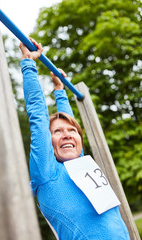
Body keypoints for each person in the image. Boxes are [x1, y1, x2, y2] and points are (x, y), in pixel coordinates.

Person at [19, 38, 130, 240]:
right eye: (57, 132)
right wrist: (28, 63)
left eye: (72, 131)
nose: (68, 134)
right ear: (48, 142)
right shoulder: (47, 173)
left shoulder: (82, 167)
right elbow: (38, 118)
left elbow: (70, 126)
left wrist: (60, 90)